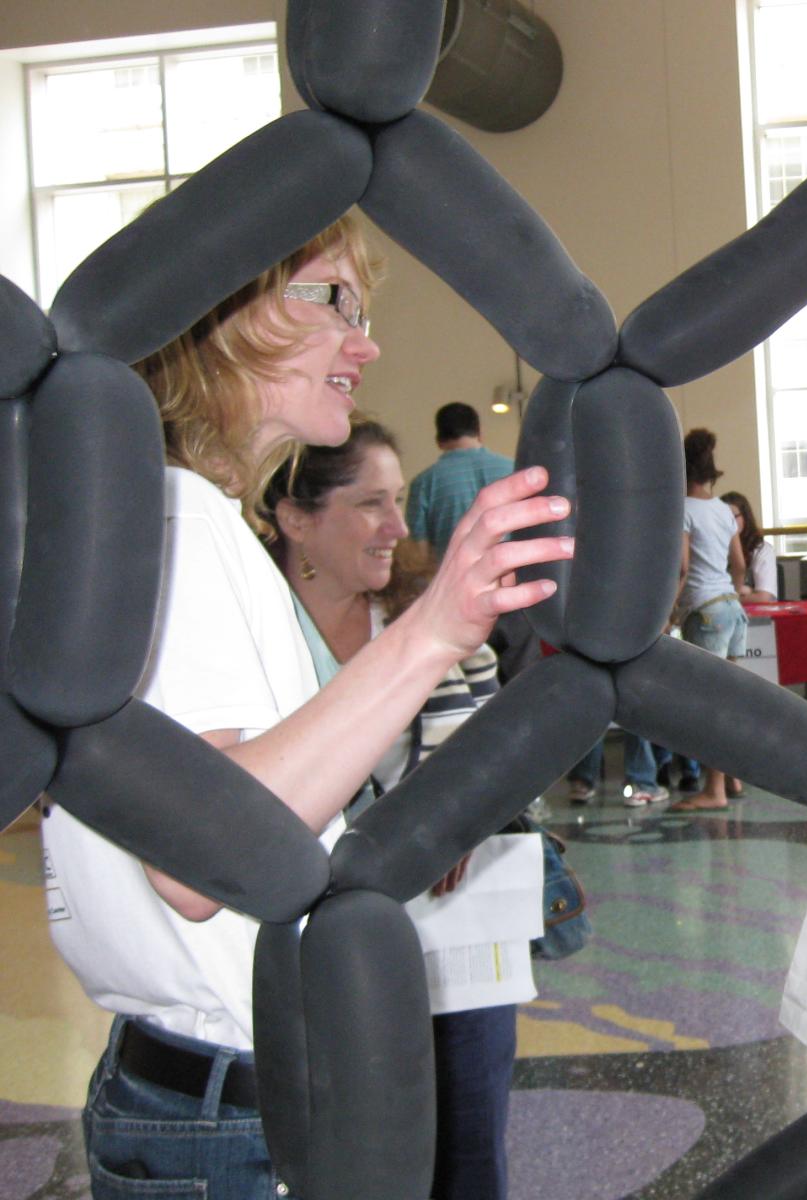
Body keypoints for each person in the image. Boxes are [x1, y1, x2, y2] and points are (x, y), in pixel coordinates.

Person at [39, 214, 572, 1199]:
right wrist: (435, 630)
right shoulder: (180, 518)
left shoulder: (162, 509)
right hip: (233, 1116)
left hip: (195, 1085)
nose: (363, 343)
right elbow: (203, 861)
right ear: (224, 312)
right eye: (331, 300)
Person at [264, 419, 531, 1200]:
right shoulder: (259, 637)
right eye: (369, 504)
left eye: (400, 501)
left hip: (456, 950)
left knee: (467, 1155)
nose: (399, 528)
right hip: (312, 962)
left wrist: (458, 821)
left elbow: (502, 755)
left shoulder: (439, 621)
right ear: (296, 519)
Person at [667, 428, 747, 813]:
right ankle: (730, 777)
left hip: (705, 610)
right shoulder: (722, 510)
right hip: (733, 608)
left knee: (708, 706)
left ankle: (713, 790)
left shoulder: (682, 508)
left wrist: (669, 613)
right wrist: (734, 589)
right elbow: (740, 564)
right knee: (728, 702)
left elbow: (681, 567)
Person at [406, 401, 516, 560]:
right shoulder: (514, 469)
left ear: (439, 440)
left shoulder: (423, 483)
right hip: (514, 577)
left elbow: (420, 554)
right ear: (480, 433)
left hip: (457, 582)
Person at [721, 489, 777, 603]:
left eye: (733, 516)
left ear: (745, 517)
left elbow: (764, 598)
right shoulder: (713, 547)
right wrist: (746, 591)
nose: (728, 522)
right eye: (722, 517)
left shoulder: (762, 549)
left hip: (754, 615)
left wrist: (727, 598)